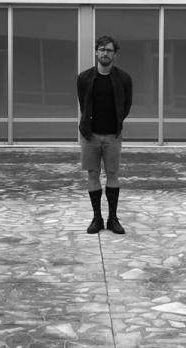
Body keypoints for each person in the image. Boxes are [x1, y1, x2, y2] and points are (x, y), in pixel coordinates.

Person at [77, 35, 133, 235]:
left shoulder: (123, 79)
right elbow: (83, 105)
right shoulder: (84, 78)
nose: (105, 53)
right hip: (90, 136)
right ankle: (97, 218)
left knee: (112, 174)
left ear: (114, 54)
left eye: (109, 50)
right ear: (96, 52)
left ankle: (113, 219)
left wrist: (115, 123)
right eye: (101, 49)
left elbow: (126, 106)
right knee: (92, 174)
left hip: (112, 136)